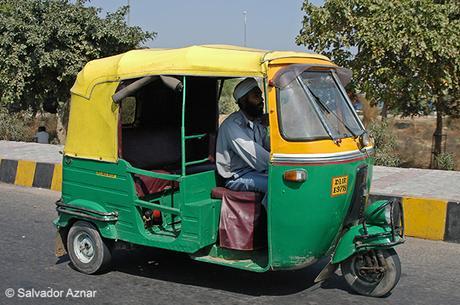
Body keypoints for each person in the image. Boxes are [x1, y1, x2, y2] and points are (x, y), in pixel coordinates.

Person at [216, 78, 270, 206]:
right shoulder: (232, 126)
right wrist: (280, 165)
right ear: (244, 101)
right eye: (256, 96)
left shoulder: (256, 122)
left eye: (261, 95)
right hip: (237, 177)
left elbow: (267, 147)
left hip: (256, 172)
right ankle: (272, 225)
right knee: (276, 185)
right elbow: (255, 156)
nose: (261, 100)